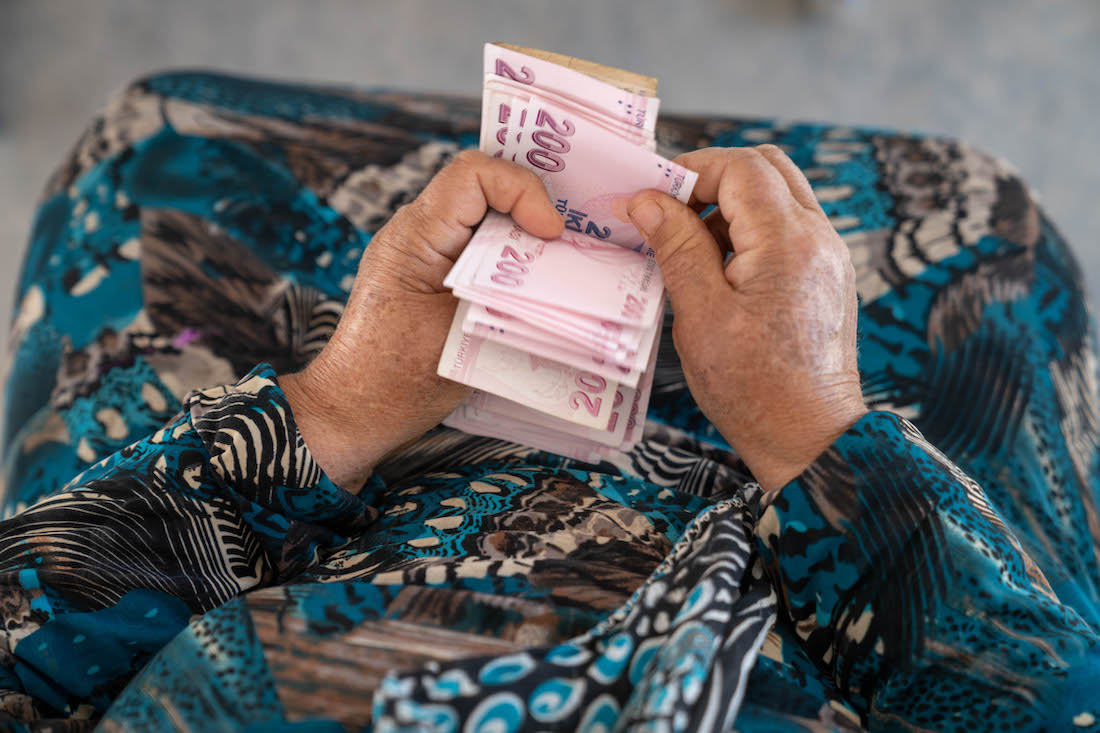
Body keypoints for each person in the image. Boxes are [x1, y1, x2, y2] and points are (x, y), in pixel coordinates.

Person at [0, 72, 1097, 732]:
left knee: (150, 143)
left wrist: (327, 412)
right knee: (983, 222)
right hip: (864, 604)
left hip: (210, 567)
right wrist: (812, 428)